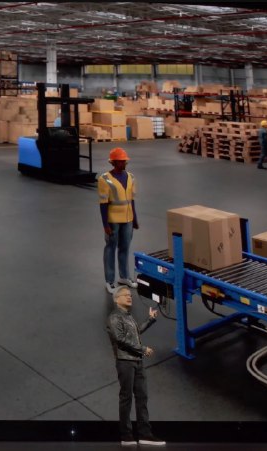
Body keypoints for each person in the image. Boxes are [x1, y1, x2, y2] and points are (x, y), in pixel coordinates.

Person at [106, 286, 164, 447]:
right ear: (116, 299)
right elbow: (121, 340)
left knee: (142, 397)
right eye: (125, 295)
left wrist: (150, 319)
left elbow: (135, 333)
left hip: (137, 361)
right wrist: (143, 349)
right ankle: (126, 435)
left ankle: (145, 434)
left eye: (130, 295)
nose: (129, 297)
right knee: (126, 398)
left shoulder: (128, 316)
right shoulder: (114, 317)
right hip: (125, 361)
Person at [98, 147, 139, 294]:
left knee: (125, 247)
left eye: (125, 161)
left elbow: (132, 200)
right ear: (113, 162)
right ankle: (109, 281)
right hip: (113, 221)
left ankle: (124, 277)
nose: (124, 163)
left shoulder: (131, 177)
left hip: (128, 219)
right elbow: (103, 204)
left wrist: (134, 219)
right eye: (121, 161)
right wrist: (105, 225)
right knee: (110, 248)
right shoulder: (104, 180)